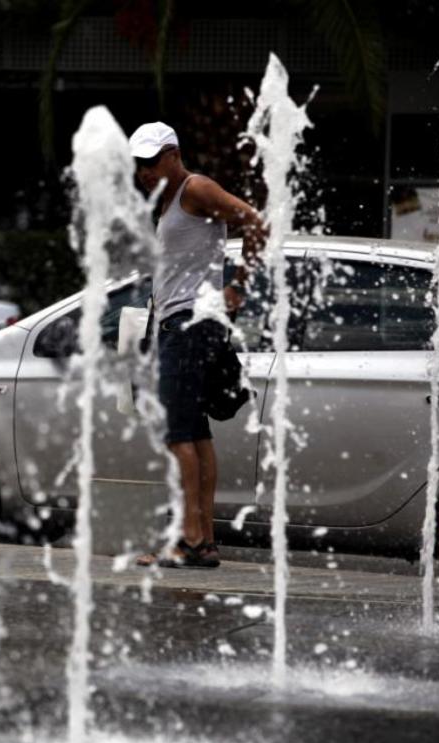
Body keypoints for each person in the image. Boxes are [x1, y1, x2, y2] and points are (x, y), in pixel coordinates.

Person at [129, 121, 265, 568]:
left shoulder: (195, 188)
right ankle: (203, 540)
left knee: (178, 436)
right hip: (187, 323)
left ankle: (186, 540)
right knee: (197, 434)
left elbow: (254, 222)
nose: (145, 172)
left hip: (188, 325)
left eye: (151, 162)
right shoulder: (170, 201)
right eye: (139, 165)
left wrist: (238, 288)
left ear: (173, 153)